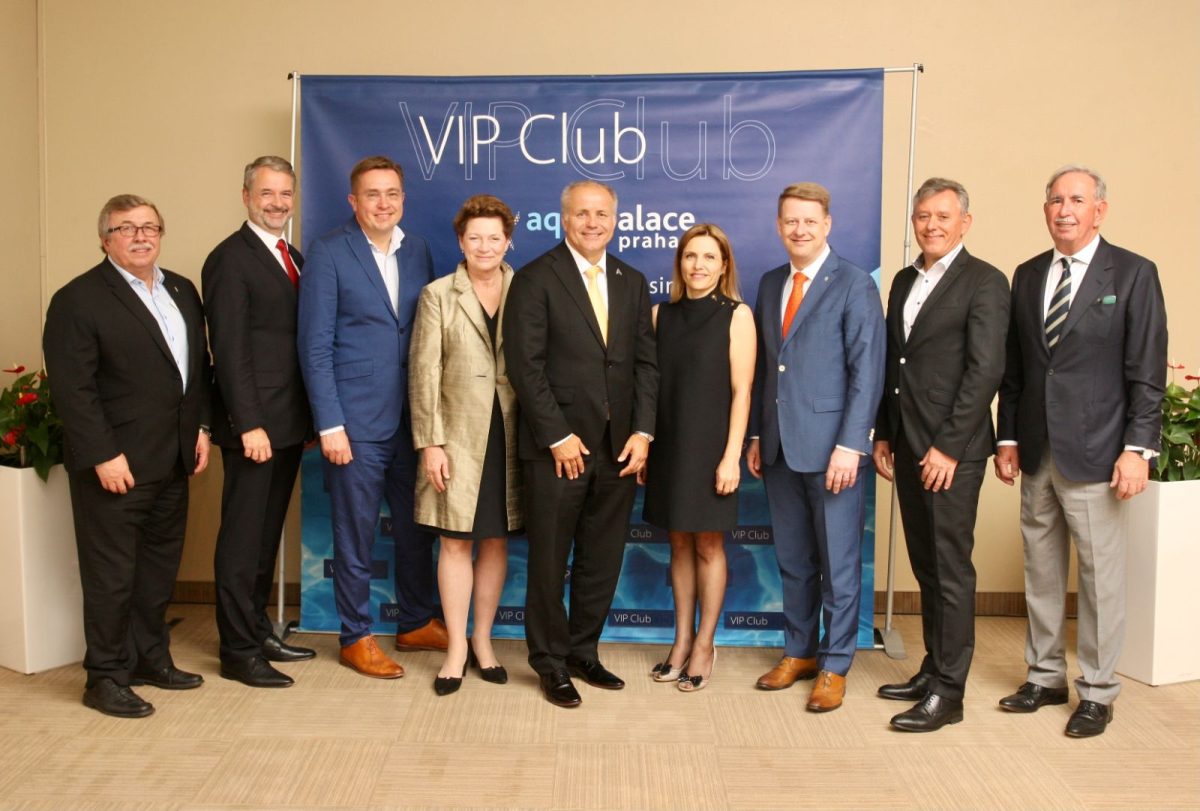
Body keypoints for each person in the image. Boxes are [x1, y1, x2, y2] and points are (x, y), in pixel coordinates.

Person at [994, 165, 1167, 738]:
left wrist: (1138, 449)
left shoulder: (1134, 273)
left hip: (1099, 451)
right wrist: (1007, 437)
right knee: (1041, 571)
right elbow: (1017, 369)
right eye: (1055, 200)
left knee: (1099, 579)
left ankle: (1096, 691)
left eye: (1076, 200)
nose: (1064, 210)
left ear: (1100, 210)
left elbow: (1146, 373)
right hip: (1036, 450)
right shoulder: (1027, 274)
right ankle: (1044, 677)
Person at [43, 195, 211, 718]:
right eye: (126, 228)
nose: (141, 236)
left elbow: (197, 369)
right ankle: (106, 677)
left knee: (157, 571)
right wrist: (103, 454)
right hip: (115, 465)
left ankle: (149, 659)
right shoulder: (78, 299)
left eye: (149, 227)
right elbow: (73, 389)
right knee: (111, 576)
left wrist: (201, 427)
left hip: (173, 460)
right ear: (105, 239)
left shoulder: (181, 290)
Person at [503, 180, 658, 708]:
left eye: (602, 214)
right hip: (557, 451)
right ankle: (549, 662)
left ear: (615, 219)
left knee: (602, 558)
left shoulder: (631, 280)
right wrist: (557, 435)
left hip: (619, 450)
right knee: (549, 561)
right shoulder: (535, 278)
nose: (593, 223)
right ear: (563, 218)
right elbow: (525, 367)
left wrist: (643, 432)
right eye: (582, 214)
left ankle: (582, 651)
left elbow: (645, 365)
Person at [297, 155, 446, 679]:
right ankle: (355, 636)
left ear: (403, 199)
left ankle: (415, 621)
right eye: (372, 194)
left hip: (413, 419)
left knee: (416, 529)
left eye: (392, 193)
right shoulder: (329, 251)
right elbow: (315, 346)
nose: (384, 203)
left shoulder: (418, 249)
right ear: (353, 201)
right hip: (355, 423)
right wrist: (330, 423)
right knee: (356, 534)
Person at [872, 177, 1010, 731]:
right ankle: (933, 669)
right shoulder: (905, 280)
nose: (931, 225)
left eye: (943, 216)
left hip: (953, 450)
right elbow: (896, 362)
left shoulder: (985, 282)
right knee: (926, 564)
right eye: (923, 216)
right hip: (907, 442)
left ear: (964, 223)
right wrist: (885, 432)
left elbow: (985, 371)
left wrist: (948, 449)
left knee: (950, 569)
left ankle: (949, 694)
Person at [746, 182, 885, 712]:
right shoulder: (770, 283)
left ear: (827, 225)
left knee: (839, 567)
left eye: (809, 221)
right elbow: (768, 368)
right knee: (793, 560)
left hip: (834, 453)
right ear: (779, 226)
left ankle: (835, 664)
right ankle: (799, 652)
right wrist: (758, 434)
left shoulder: (853, 283)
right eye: (790, 221)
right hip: (781, 447)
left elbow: (867, 371)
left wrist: (852, 444)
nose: (799, 230)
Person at [202, 156, 315, 689]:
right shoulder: (229, 259)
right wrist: (248, 423)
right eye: (267, 193)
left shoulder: (292, 256)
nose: (277, 203)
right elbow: (228, 350)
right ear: (246, 196)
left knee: (266, 537)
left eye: (285, 193)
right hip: (255, 428)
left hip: (288, 424)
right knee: (242, 541)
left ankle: (257, 630)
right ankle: (237, 650)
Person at [409, 195, 523, 696]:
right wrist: (430, 443)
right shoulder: (437, 294)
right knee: (455, 542)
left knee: (495, 540)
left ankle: (483, 640)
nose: (484, 246)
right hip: (455, 437)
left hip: (513, 433)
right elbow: (424, 373)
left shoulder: (527, 289)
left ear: (508, 241)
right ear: (460, 241)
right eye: (474, 237)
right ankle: (455, 648)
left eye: (494, 237)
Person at [642, 223, 755, 692]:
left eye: (709, 257)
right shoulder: (659, 315)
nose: (699, 265)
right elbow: (648, 388)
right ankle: (681, 640)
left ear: (723, 265)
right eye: (691, 256)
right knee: (678, 545)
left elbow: (742, 392)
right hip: (668, 447)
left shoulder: (737, 315)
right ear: (680, 263)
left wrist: (731, 457)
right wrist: (645, 446)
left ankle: (705, 645)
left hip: (712, 449)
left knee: (708, 545)